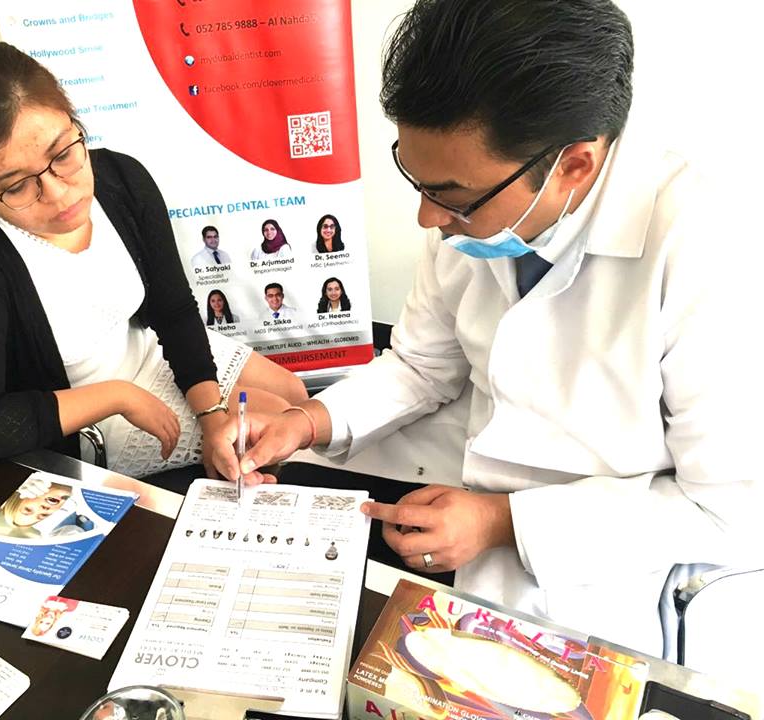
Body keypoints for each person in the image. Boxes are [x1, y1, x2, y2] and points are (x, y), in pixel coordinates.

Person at [215, 0, 762, 657]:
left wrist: (503, 523)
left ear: (574, 166)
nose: (427, 218)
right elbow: (420, 365)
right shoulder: (472, 208)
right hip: (452, 505)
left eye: (450, 195)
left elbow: (729, 509)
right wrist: (306, 422)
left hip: (601, 571)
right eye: (416, 180)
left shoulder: (705, 249)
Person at [0, 39, 307, 479]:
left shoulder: (121, 180)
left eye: (63, 154)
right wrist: (117, 396)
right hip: (83, 414)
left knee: (293, 398)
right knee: (268, 425)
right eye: (16, 186)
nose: (59, 194)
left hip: (146, 351)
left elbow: (173, 310)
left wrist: (211, 416)